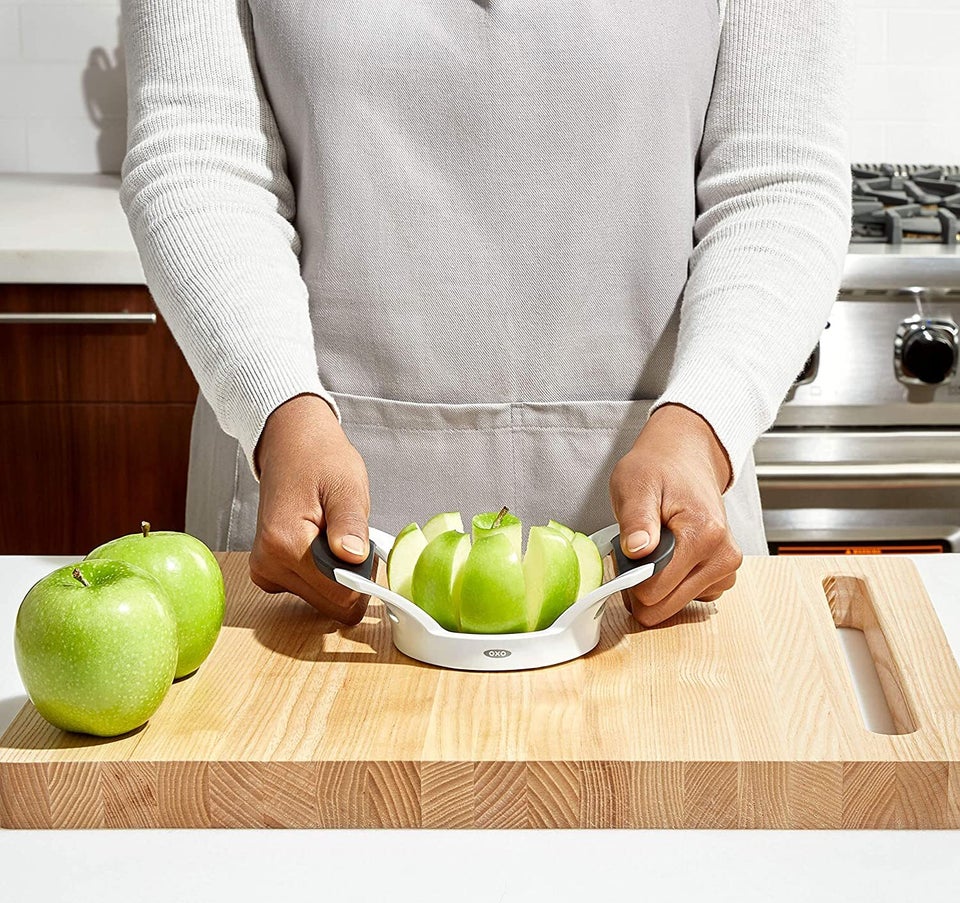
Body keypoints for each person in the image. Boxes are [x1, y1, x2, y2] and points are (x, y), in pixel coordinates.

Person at [119, 0, 851, 626]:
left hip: (666, 532)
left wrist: (705, 425)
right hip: (303, 527)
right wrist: (279, 412)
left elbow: (776, 180)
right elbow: (199, 150)